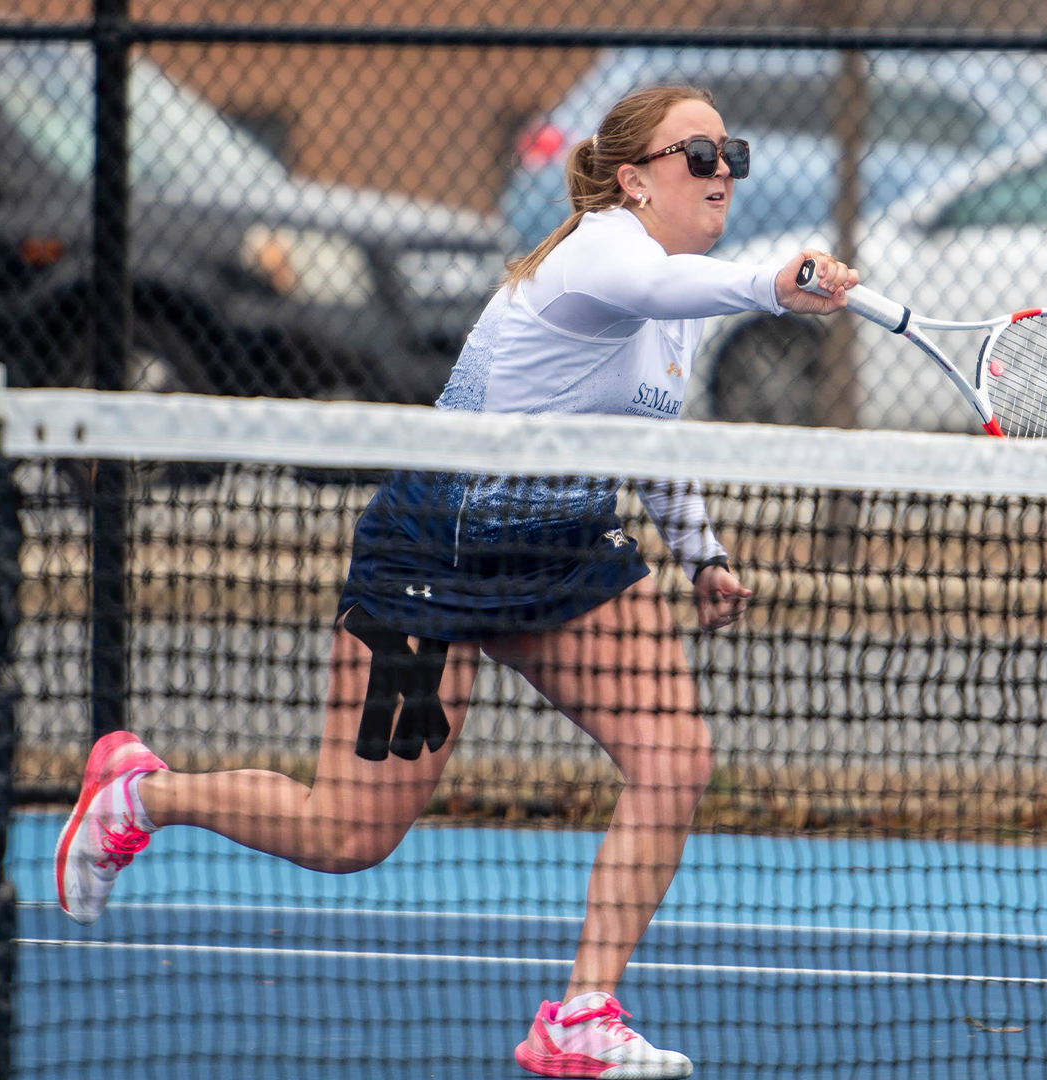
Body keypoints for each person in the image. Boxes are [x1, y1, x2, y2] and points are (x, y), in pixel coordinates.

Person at [53, 84, 858, 1080]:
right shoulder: (605, 250)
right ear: (632, 178)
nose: (721, 171)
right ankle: (146, 795)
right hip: (434, 558)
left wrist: (701, 551)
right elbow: (662, 292)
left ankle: (580, 1013)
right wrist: (774, 288)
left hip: (566, 555)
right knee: (349, 834)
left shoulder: (683, 295)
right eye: (696, 154)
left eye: (729, 151)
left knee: (675, 760)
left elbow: (650, 437)